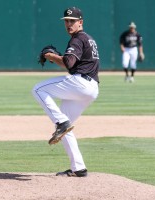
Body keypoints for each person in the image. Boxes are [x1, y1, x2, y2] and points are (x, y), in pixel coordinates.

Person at [32, 7, 100, 177]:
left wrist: (50, 55)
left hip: (81, 83)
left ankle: (61, 122)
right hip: (91, 88)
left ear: (80, 22)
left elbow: (68, 62)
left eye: (72, 21)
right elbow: (71, 64)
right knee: (66, 128)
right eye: (66, 21)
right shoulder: (88, 39)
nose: (69, 24)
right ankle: (78, 168)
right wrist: (57, 58)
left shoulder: (78, 39)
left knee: (38, 89)